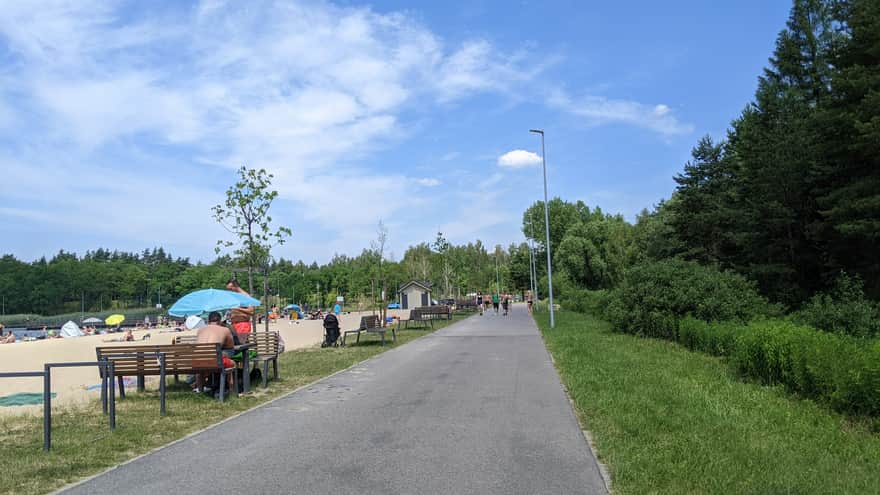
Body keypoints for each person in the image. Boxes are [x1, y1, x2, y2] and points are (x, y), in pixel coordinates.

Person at [195, 311, 236, 394]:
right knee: (232, 363)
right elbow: (230, 346)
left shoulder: (200, 330)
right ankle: (232, 391)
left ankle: (200, 389)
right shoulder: (225, 329)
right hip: (215, 362)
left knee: (205, 362)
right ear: (220, 321)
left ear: (208, 321)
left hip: (198, 362)